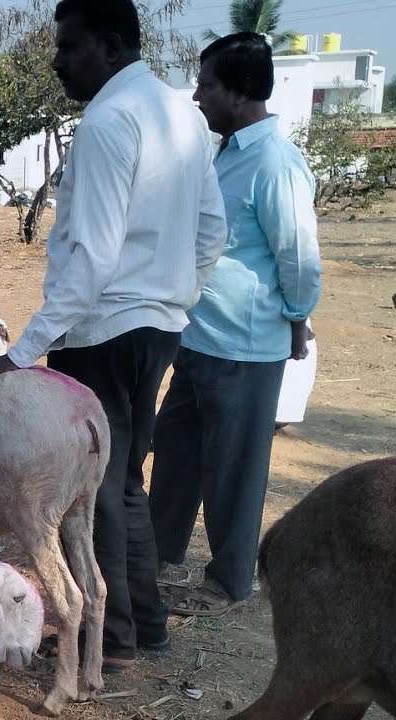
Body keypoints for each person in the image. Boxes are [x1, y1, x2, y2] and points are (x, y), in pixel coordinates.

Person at [0, 0, 227, 672]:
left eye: (67, 46)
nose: (56, 61)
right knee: (123, 481)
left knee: (96, 489)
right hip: (155, 325)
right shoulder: (183, 114)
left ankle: (112, 639)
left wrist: (17, 355)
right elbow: (211, 232)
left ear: (110, 48)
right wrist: (174, 299)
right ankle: (143, 627)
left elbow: (93, 262)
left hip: (105, 329)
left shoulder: (110, 122)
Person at [150, 33, 322, 616]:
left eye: (207, 85)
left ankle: (228, 582)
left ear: (241, 92)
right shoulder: (226, 151)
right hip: (198, 336)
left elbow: (297, 255)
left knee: (234, 470)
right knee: (174, 451)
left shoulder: (275, 163)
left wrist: (298, 318)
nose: (198, 96)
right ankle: (155, 556)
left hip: (246, 346)